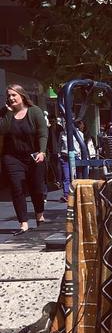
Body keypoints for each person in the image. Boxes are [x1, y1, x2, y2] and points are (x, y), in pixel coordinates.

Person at [0, 84, 48, 235]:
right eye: (9, 96)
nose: (11, 98)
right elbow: (3, 130)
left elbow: (42, 133)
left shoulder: (34, 112)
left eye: (14, 95)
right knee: (17, 188)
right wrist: (8, 114)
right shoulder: (5, 113)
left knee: (37, 188)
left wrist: (42, 151)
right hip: (12, 157)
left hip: (34, 156)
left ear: (22, 95)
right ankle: (23, 224)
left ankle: (40, 216)